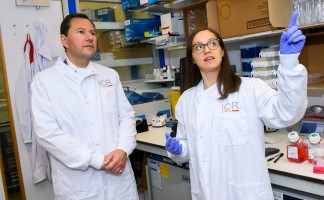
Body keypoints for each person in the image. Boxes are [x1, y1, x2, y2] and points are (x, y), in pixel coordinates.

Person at [165, 12, 307, 200]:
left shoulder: (251, 89)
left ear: (222, 51)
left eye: (212, 44)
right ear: (192, 57)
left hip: (246, 194)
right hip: (207, 194)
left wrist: (289, 63)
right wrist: (177, 150)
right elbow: (187, 147)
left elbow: (288, 113)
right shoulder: (187, 100)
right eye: (198, 47)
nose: (207, 50)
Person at [31, 13, 139, 199]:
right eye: (81, 32)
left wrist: (123, 149)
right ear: (64, 40)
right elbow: (47, 133)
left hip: (118, 183)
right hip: (78, 186)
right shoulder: (44, 81)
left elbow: (126, 116)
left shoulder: (109, 76)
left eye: (93, 33)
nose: (90, 37)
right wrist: (95, 160)